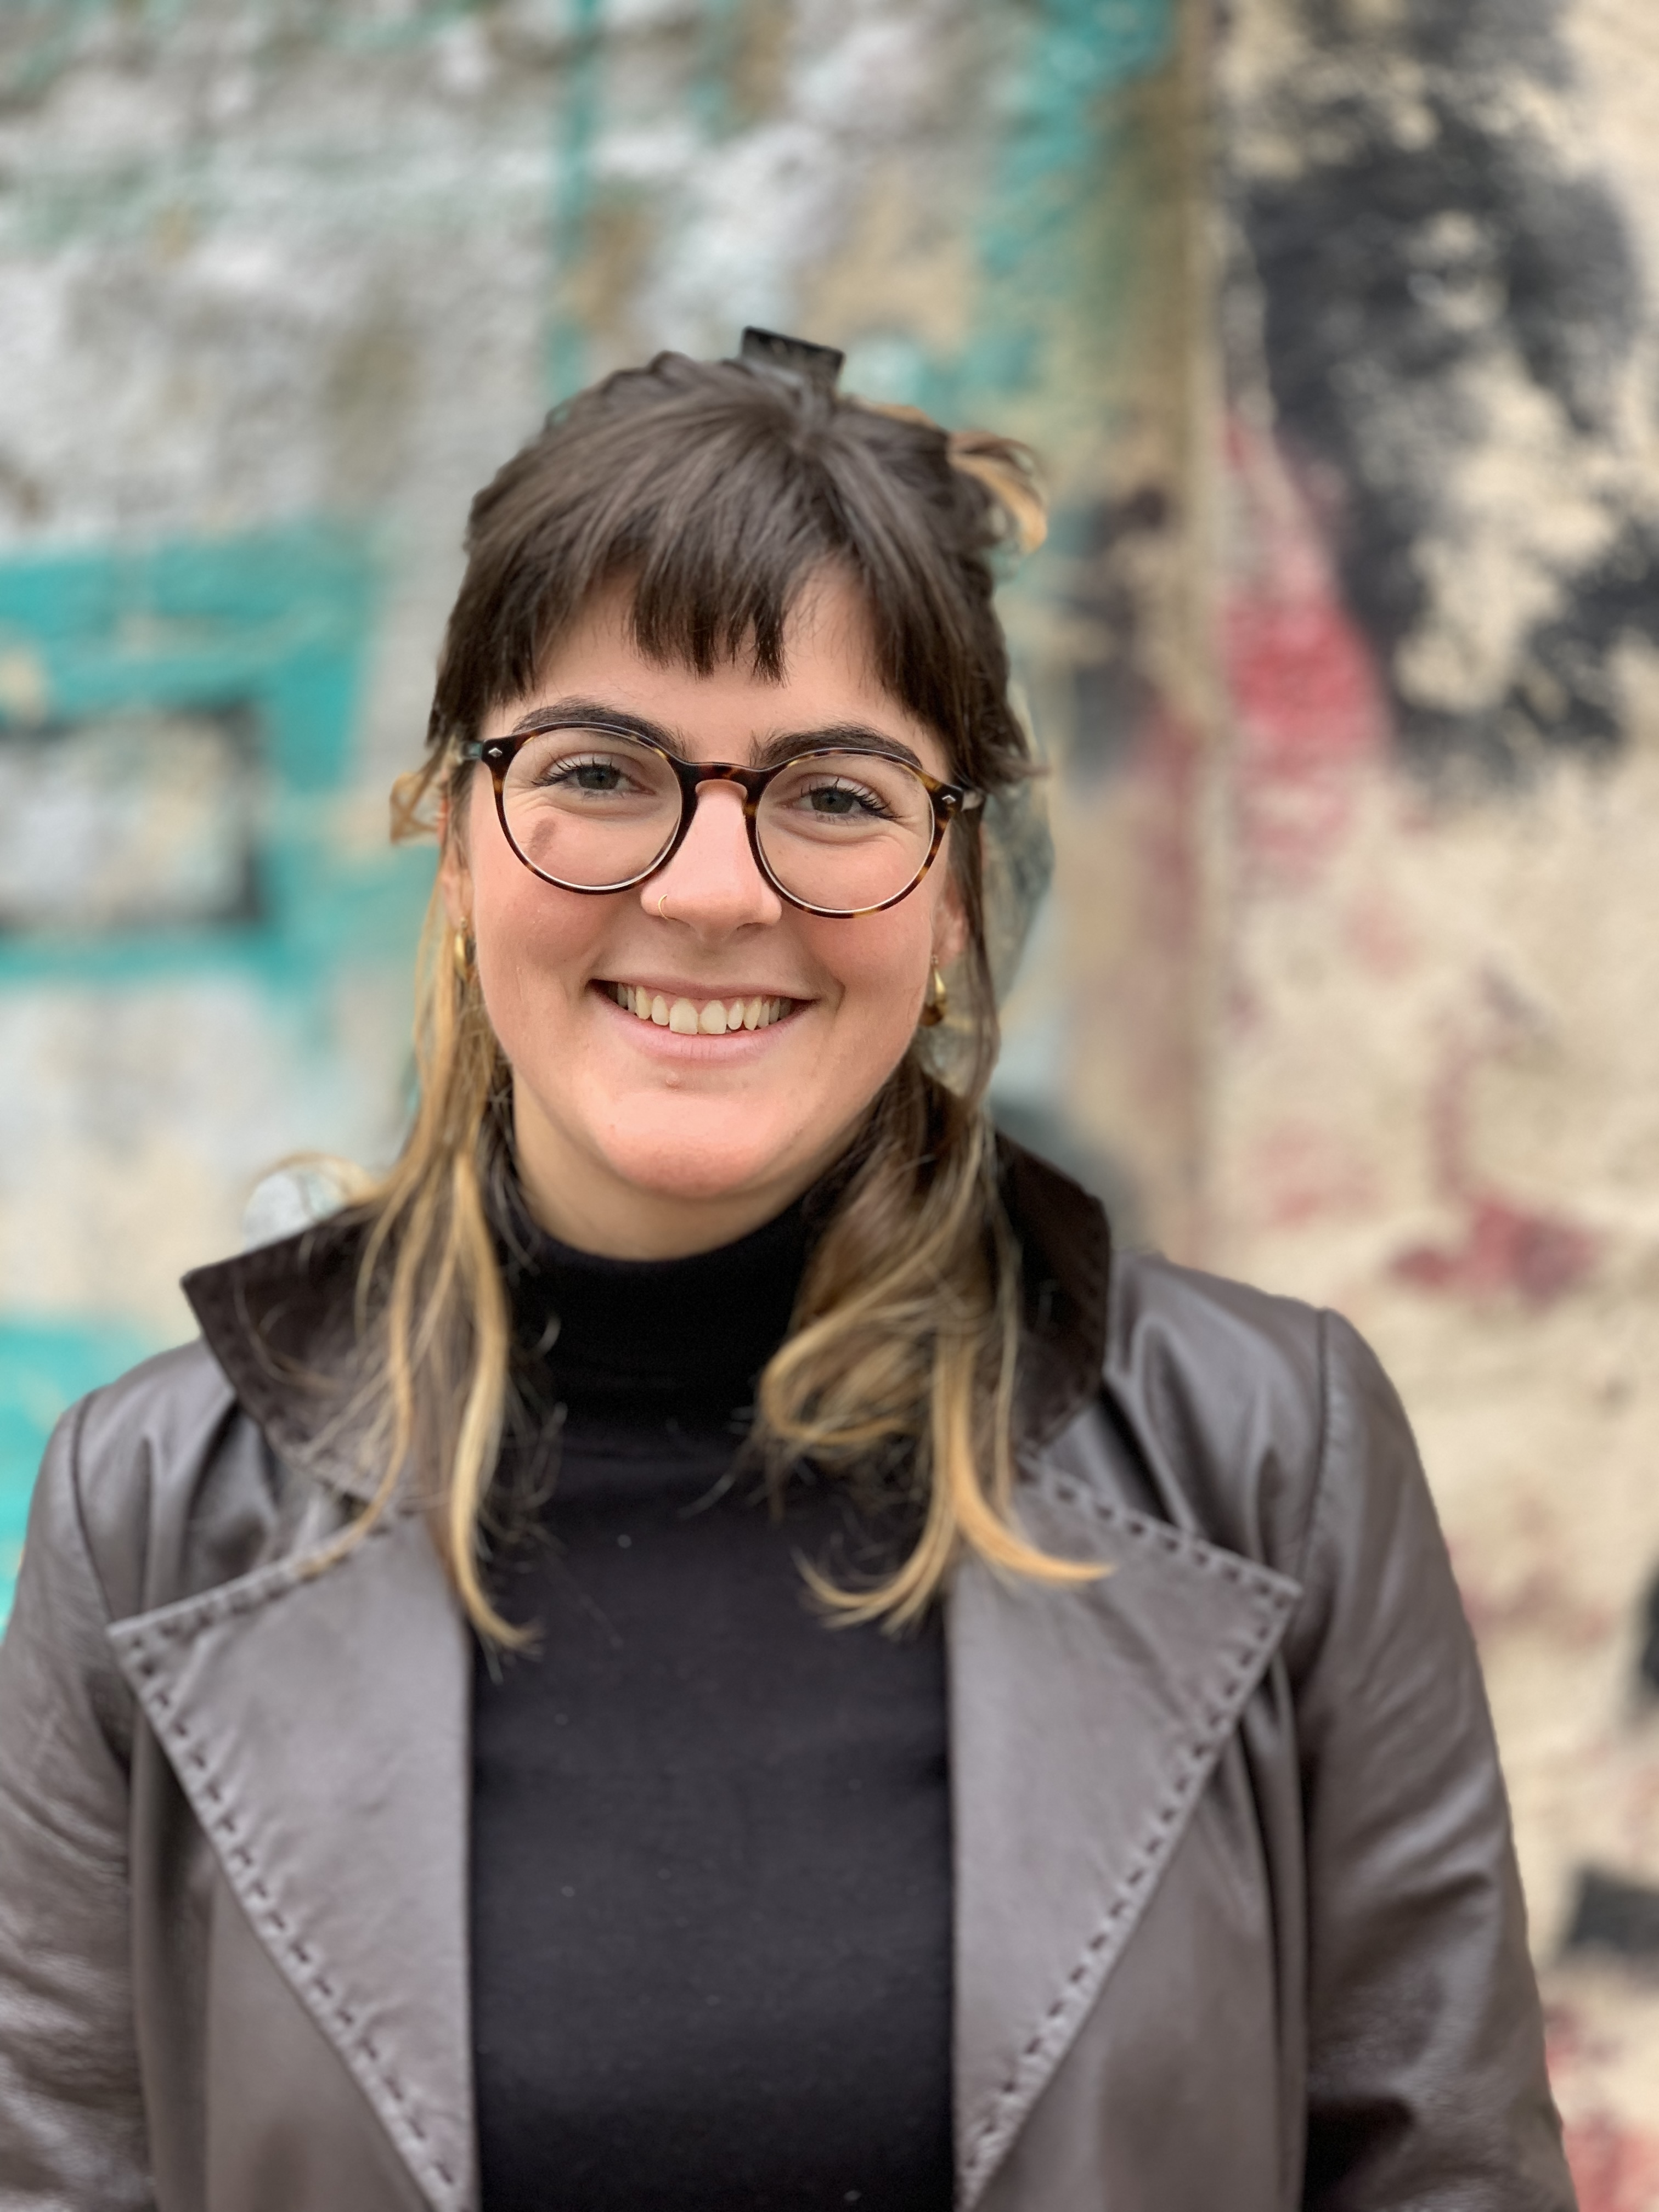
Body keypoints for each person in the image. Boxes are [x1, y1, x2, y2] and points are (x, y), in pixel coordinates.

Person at [0, 332, 1575, 2212]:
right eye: (600, 772)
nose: (711, 888)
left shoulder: (1271, 1458)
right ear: (455, 836)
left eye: (834, 794)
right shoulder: (150, 1516)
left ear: (958, 888)